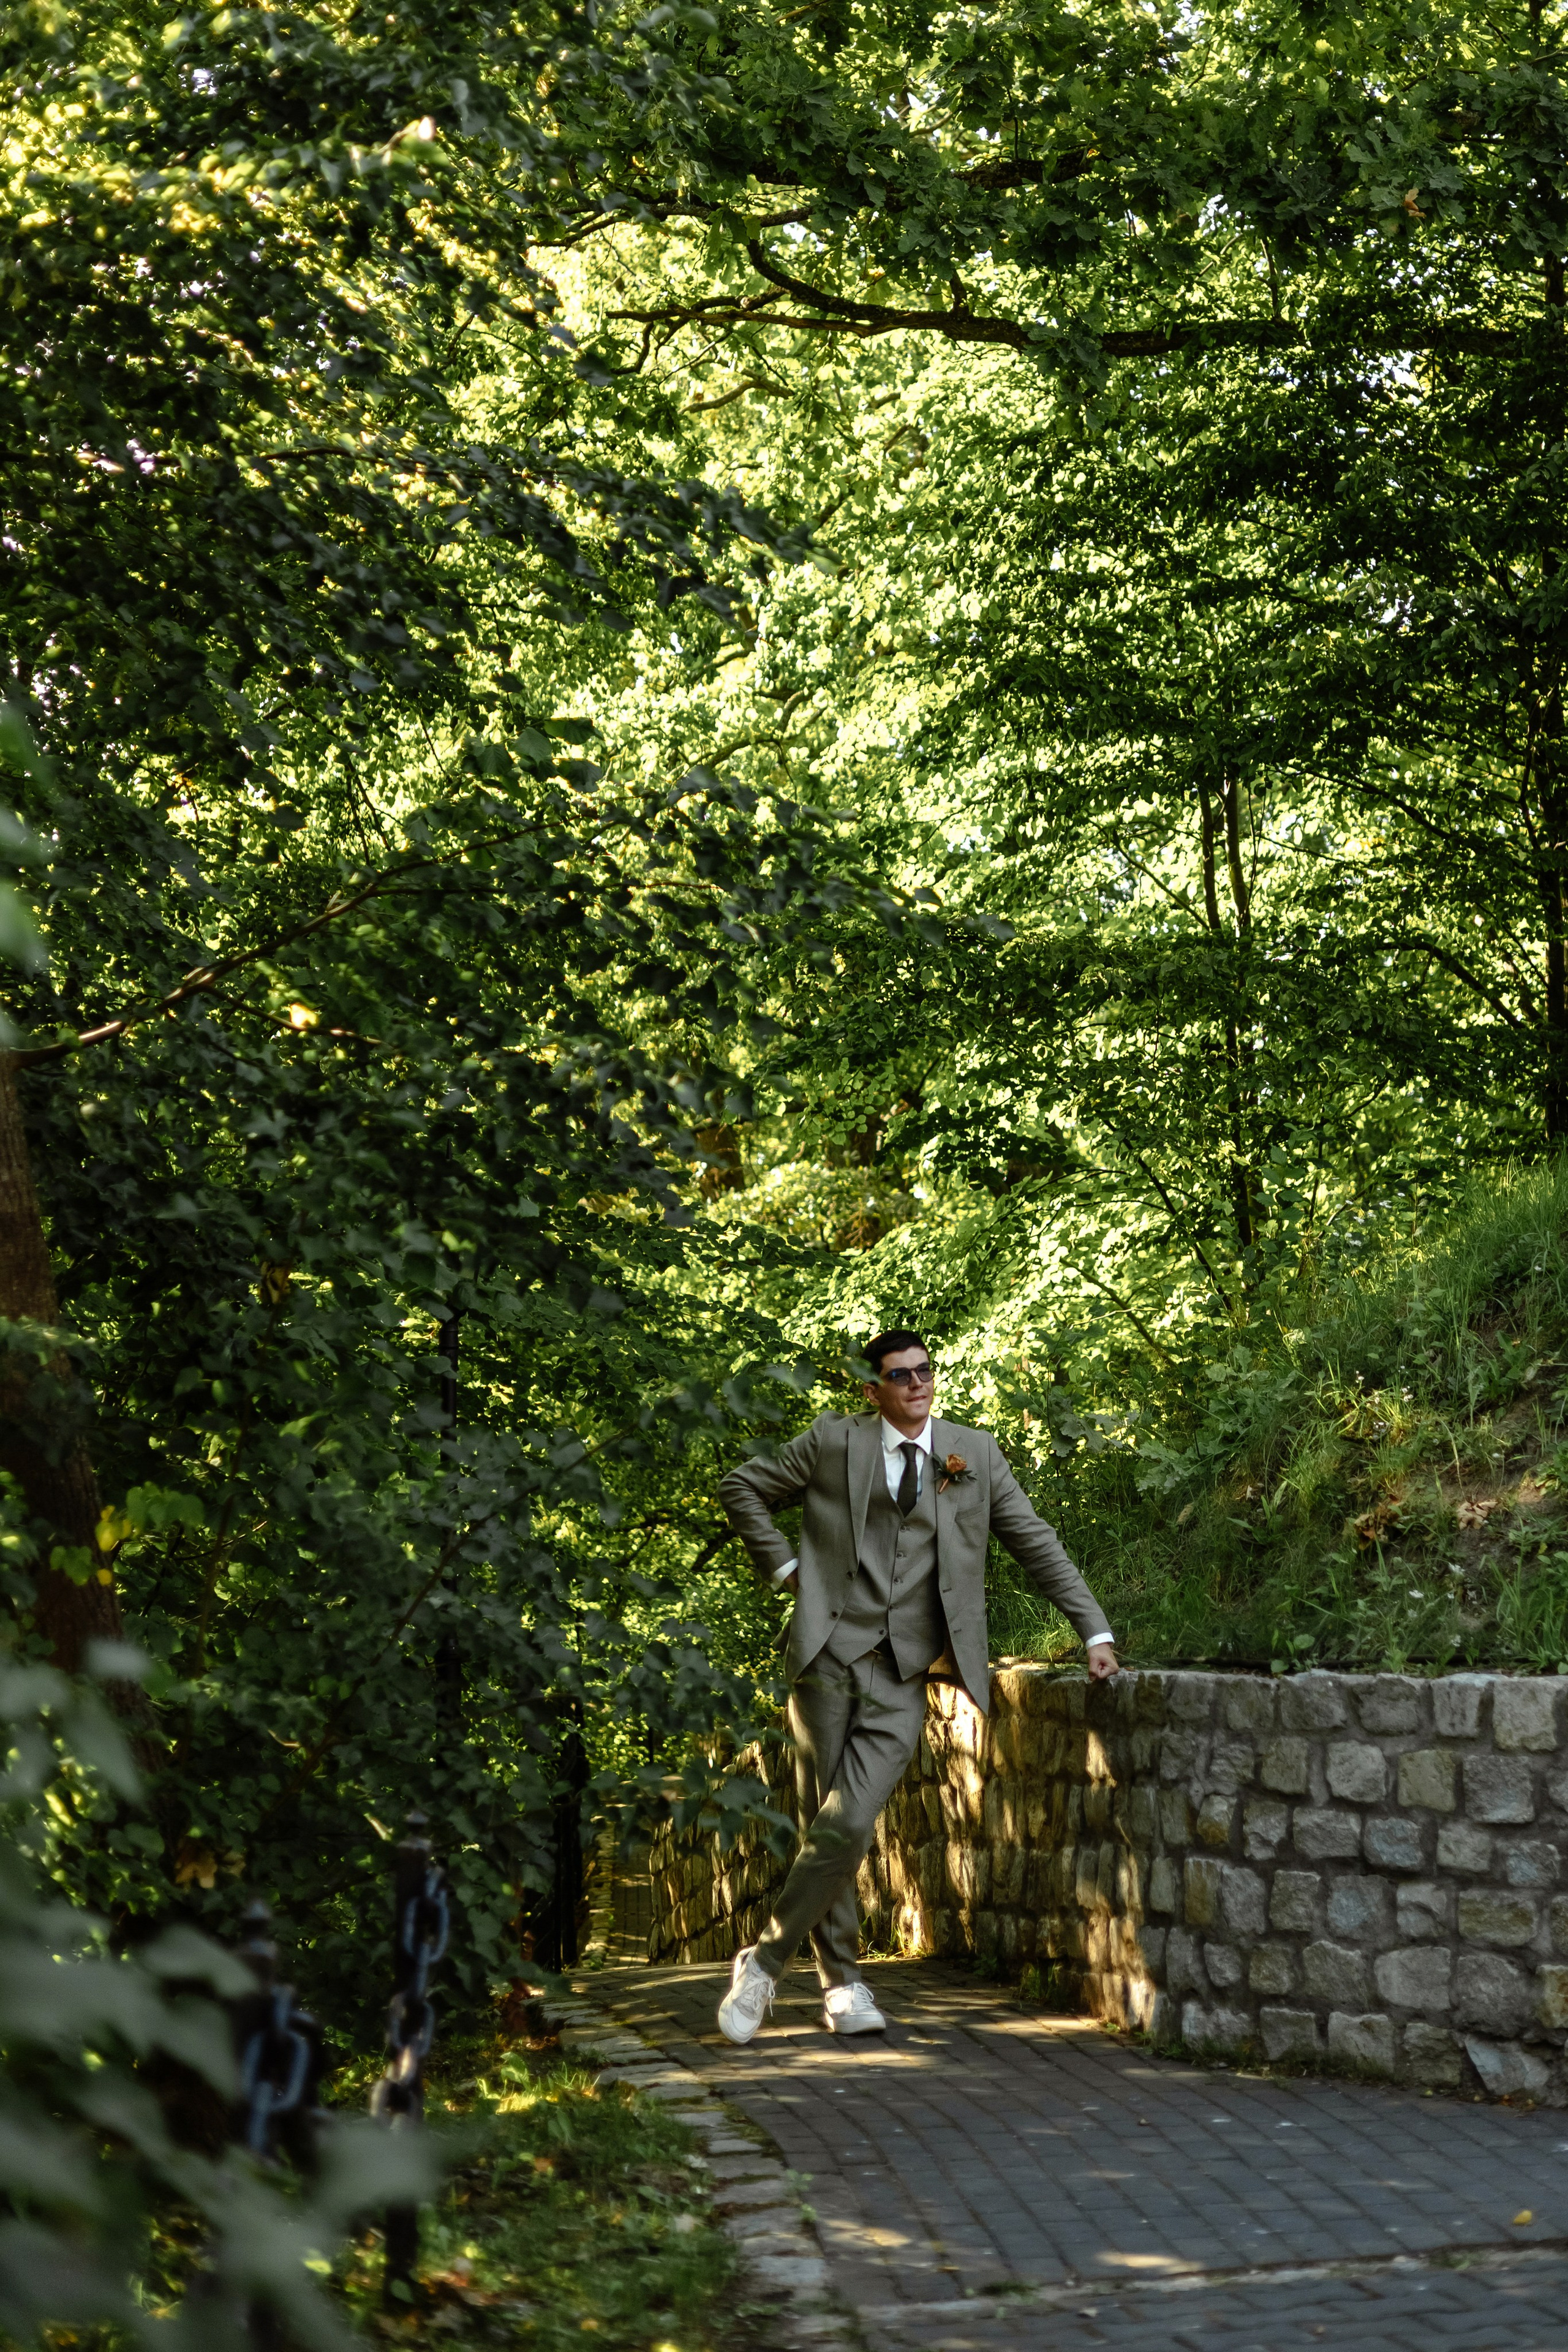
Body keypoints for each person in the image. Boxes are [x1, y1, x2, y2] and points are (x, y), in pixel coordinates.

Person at [714, 1329, 1119, 2045]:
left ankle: (766, 1961)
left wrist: (1094, 1631)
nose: (916, 1384)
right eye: (899, 1376)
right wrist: (782, 1569)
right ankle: (842, 1986)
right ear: (872, 1390)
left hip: (905, 1672)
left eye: (924, 1371)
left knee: (848, 1821)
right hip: (827, 1657)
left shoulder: (975, 1454)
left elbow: (1035, 1540)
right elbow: (742, 1485)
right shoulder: (833, 1442)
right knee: (828, 1824)